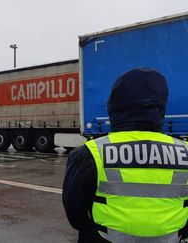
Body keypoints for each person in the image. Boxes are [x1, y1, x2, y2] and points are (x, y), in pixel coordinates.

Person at [63, 68, 188, 242]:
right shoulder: (185, 152)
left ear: (114, 105)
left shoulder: (89, 154)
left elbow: (75, 215)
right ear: (160, 106)